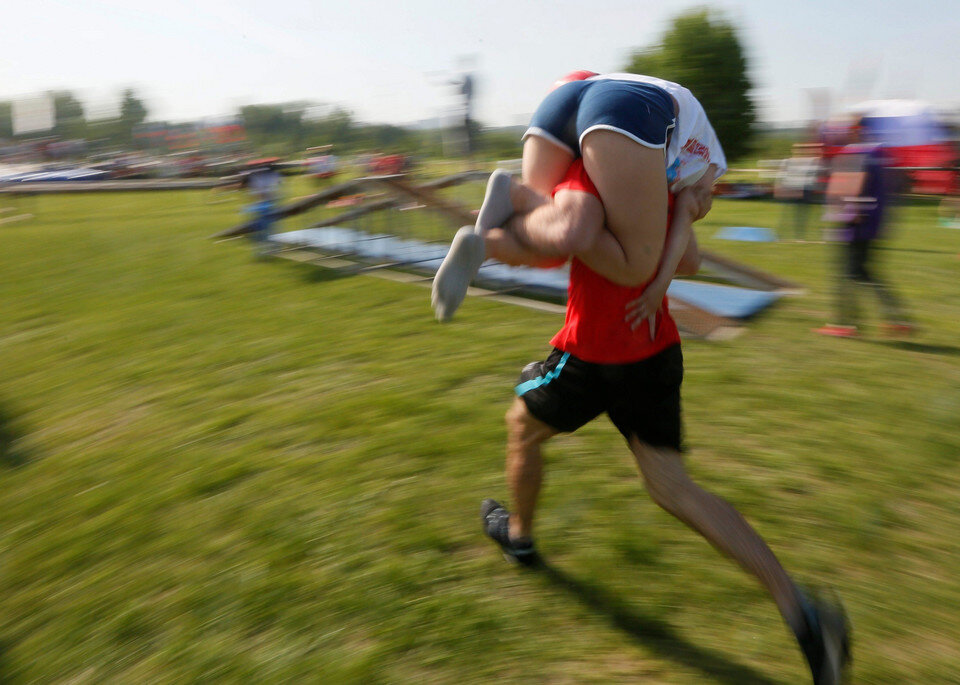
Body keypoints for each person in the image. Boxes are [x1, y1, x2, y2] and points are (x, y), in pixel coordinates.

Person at [453, 72, 850, 684]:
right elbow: (688, 259)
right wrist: (668, 236)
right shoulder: (649, 190)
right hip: (655, 350)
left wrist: (540, 226)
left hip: (589, 355)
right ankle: (803, 612)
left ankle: (522, 537)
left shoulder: (572, 184)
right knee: (674, 490)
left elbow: (558, 244)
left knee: (520, 425)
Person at [816, 119, 911, 337]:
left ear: (856, 131)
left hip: (854, 220)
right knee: (864, 273)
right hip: (875, 222)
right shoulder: (881, 154)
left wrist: (847, 212)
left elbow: (849, 187)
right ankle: (898, 319)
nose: (844, 134)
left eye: (848, 130)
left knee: (847, 272)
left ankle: (845, 323)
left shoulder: (856, 153)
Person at [240, 158, 282, 258]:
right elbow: (255, 192)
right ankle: (263, 249)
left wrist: (263, 195)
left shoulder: (271, 175)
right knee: (261, 228)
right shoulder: (256, 176)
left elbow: (272, 190)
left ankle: (272, 248)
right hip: (261, 205)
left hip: (269, 204)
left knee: (269, 228)